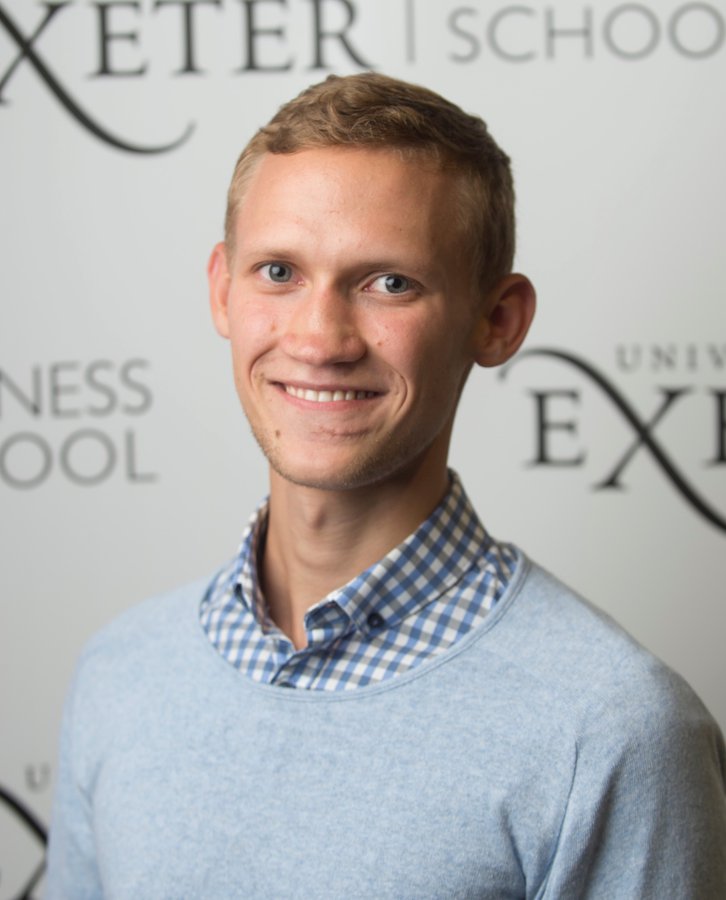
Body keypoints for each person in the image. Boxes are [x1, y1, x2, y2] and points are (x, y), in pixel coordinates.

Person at [46, 73, 726, 898]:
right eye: (278, 271)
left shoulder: (614, 729)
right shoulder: (121, 671)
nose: (320, 340)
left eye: (389, 283)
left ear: (497, 321)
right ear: (222, 290)